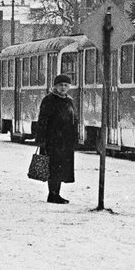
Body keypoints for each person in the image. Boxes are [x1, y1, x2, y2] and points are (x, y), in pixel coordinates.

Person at [36, 74, 77, 204]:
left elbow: (73, 120)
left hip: (65, 140)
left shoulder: (69, 100)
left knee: (61, 168)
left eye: (66, 85)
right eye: (61, 85)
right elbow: (42, 120)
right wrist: (42, 139)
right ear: (55, 86)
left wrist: (74, 137)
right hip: (52, 140)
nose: (63, 87)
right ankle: (52, 195)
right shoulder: (49, 100)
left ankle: (56, 194)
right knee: (53, 167)